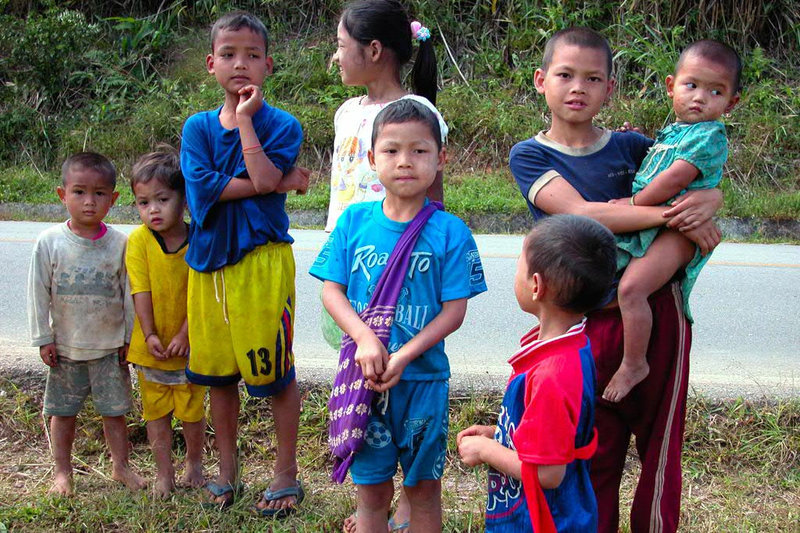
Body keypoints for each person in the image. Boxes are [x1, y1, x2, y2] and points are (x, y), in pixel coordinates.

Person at [509, 28, 724, 533]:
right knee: (592, 450)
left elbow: (696, 170)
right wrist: (672, 213)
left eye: (592, 78)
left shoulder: (633, 147)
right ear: (541, 81)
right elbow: (584, 218)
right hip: (578, 324)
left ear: (609, 89)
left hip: (655, 310)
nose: (577, 87)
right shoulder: (531, 156)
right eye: (564, 75)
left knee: (659, 445)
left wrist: (709, 201)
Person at [310, 99, 487, 533]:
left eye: (419, 151)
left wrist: (404, 355)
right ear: (372, 159)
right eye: (391, 151)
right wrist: (366, 340)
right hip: (364, 381)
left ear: (441, 158)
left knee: (424, 489)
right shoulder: (353, 222)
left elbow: (454, 312)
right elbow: (331, 290)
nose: (404, 162)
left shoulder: (451, 232)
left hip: (423, 383)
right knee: (371, 494)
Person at [180, 11, 307, 516]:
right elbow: (206, 189)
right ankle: (226, 473)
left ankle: (285, 476)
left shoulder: (282, 124)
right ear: (211, 64)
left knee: (275, 373)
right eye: (229, 54)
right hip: (208, 266)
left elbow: (257, 178)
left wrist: (251, 129)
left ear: (268, 66)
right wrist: (278, 179)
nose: (240, 64)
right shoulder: (197, 129)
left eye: (252, 55)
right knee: (219, 377)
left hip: (263, 265)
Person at [458, 214, 617, 532]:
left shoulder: (552, 373)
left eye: (519, 263)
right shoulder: (570, 344)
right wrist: (500, 434)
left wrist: (488, 451)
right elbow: (554, 429)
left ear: (536, 285)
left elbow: (548, 473)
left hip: (545, 520)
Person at [603, 40, 741, 403]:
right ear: (671, 86)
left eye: (716, 91)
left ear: (731, 102)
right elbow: (656, 163)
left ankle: (635, 363)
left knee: (632, 289)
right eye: (691, 85)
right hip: (664, 223)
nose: (700, 97)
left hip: (678, 232)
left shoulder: (710, 135)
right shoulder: (675, 131)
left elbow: (674, 179)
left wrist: (632, 204)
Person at [27, 152, 145, 496]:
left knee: (115, 412)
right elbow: (38, 292)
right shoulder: (49, 242)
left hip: (109, 349)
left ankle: (121, 467)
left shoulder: (121, 244)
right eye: (79, 192)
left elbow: (129, 296)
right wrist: (43, 338)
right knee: (62, 413)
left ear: (114, 198)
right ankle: (62, 473)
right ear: (62, 195)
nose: (89, 202)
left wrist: (128, 339)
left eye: (99, 194)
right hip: (65, 349)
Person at [325, 0, 448, 233]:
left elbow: (433, 196)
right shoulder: (346, 112)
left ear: (374, 50)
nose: (336, 57)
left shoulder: (418, 112)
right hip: (347, 243)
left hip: (398, 249)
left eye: (342, 46)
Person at [125, 148, 207, 498]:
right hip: (152, 348)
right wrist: (150, 334)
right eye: (144, 202)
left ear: (184, 199)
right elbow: (139, 290)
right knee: (155, 413)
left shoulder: (199, 238)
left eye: (162, 199)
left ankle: (194, 464)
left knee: (192, 413)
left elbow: (199, 292)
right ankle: (163, 473)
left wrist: (186, 333)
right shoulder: (139, 241)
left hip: (192, 345)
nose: (153, 210)